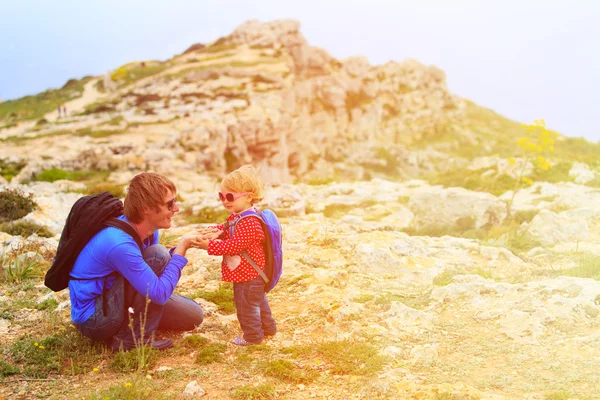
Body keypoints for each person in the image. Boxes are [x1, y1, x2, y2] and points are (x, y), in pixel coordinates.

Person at [69, 172, 209, 351]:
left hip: (118, 296)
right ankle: (132, 340)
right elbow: (157, 290)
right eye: (170, 204)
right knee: (159, 255)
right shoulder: (118, 243)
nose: (177, 209)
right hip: (94, 317)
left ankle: (134, 325)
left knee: (193, 315)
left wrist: (185, 246)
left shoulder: (149, 231)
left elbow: (152, 271)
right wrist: (181, 250)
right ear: (146, 208)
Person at [196, 165, 277, 346]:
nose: (225, 201)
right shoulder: (239, 215)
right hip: (249, 274)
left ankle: (252, 337)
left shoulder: (249, 222)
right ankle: (269, 328)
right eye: (222, 196)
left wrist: (208, 246)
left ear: (248, 196)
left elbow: (234, 246)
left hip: (249, 275)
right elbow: (226, 228)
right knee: (258, 302)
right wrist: (212, 231)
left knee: (246, 307)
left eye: (230, 196)